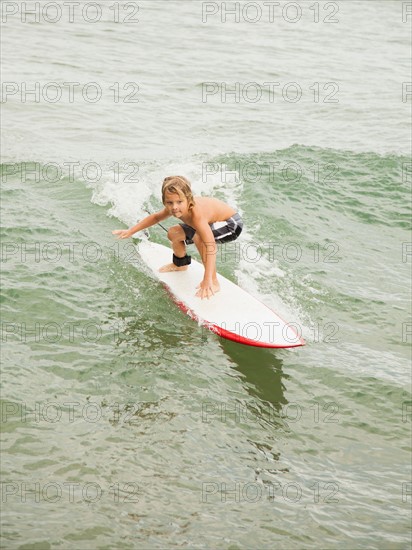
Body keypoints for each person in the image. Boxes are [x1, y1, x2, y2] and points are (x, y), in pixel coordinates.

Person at [112, 176, 243, 299]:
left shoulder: (197, 216)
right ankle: (180, 264)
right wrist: (131, 231)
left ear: (188, 200)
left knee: (199, 237)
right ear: (165, 201)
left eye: (179, 202)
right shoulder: (173, 207)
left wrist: (207, 278)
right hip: (211, 222)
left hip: (231, 224)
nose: (174, 207)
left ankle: (213, 282)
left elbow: (210, 245)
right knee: (173, 233)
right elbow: (156, 218)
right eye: (169, 202)